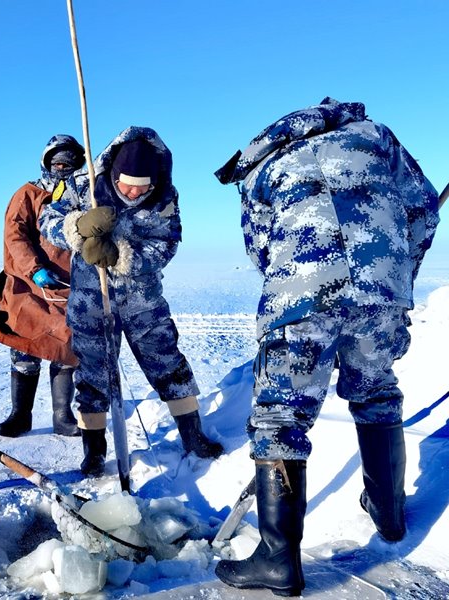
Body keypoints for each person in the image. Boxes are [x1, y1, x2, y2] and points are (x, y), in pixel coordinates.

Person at [212, 97, 440, 596]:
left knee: (280, 416)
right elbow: (422, 209)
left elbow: (262, 246)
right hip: (381, 290)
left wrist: (300, 282)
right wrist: (396, 271)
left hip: (302, 293)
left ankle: (278, 559)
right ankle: (390, 515)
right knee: (377, 390)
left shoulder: (265, 165)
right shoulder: (377, 137)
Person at [39, 126, 223, 477]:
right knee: (93, 376)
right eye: (127, 186)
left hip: (144, 303)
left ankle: (193, 435)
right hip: (90, 304)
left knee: (168, 363)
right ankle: (94, 450)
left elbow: (166, 244)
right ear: (113, 174)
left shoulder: (166, 197)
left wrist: (123, 257)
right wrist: (76, 227)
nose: (135, 193)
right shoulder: (83, 185)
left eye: (143, 188)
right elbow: (46, 220)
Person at [0, 135, 85, 438]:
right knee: (24, 348)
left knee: (65, 349)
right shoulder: (28, 194)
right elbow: (15, 237)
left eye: (70, 164)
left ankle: (62, 415)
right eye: (58, 163)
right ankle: (20, 415)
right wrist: (34, 269)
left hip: (68, 288)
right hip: (27, 287)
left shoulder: (83, 196)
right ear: (47, 163)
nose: (63, 169)